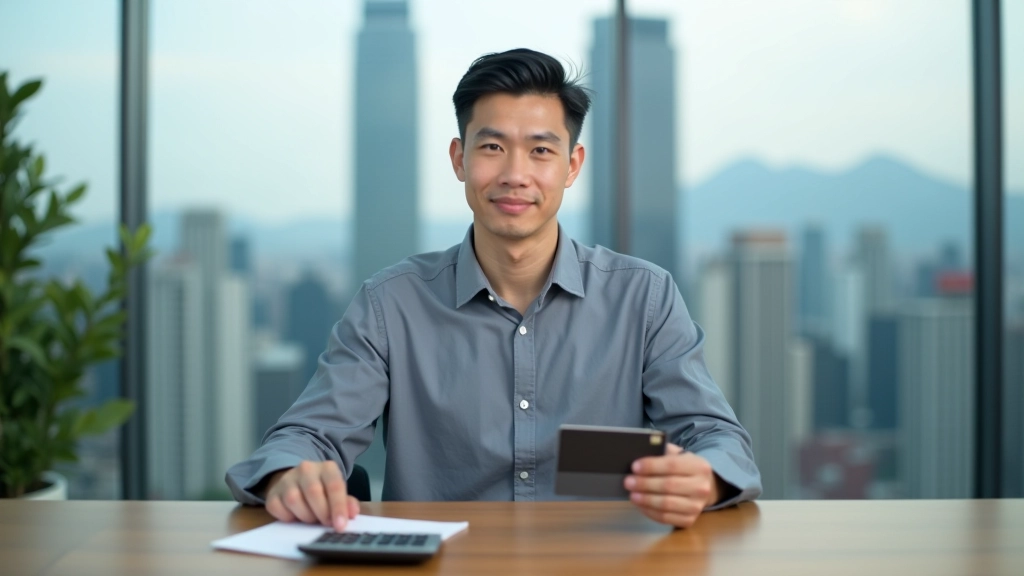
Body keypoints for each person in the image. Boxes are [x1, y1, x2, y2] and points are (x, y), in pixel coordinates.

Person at [226, 48, 761, 531]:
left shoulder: (644, 297)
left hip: (602, 564)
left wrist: (705, 478)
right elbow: (308, 435)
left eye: (540, 151)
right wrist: (290, 475)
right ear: (459, 159)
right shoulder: (391, 304)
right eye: (493, 147)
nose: (514, 174)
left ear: (572, 165)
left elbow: (716, 438)